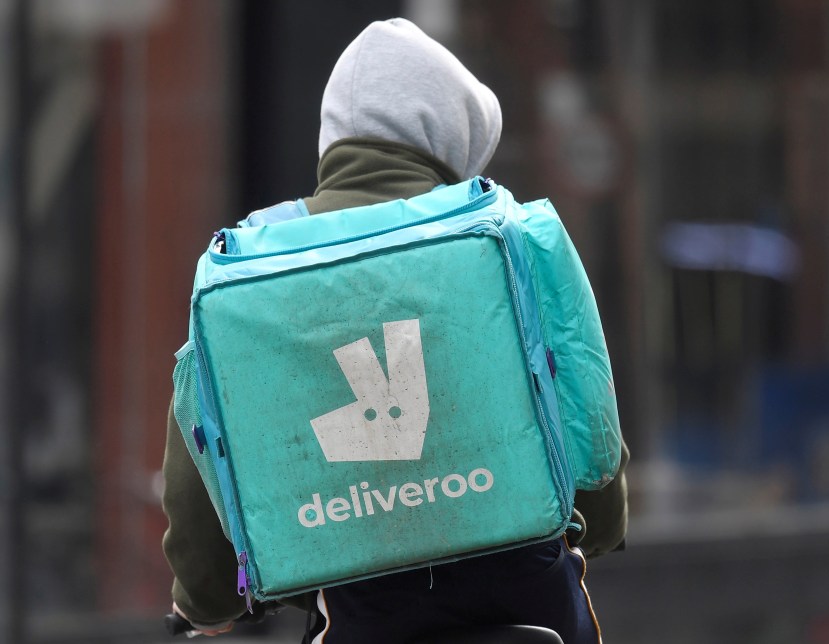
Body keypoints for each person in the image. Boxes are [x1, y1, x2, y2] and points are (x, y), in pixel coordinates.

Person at [162, 17, 629, 644]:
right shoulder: (513, 244)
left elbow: (205, 549)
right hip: (533, 619)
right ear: (458, 143)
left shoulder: (245, 280)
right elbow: (597, 489)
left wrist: (205, 605)